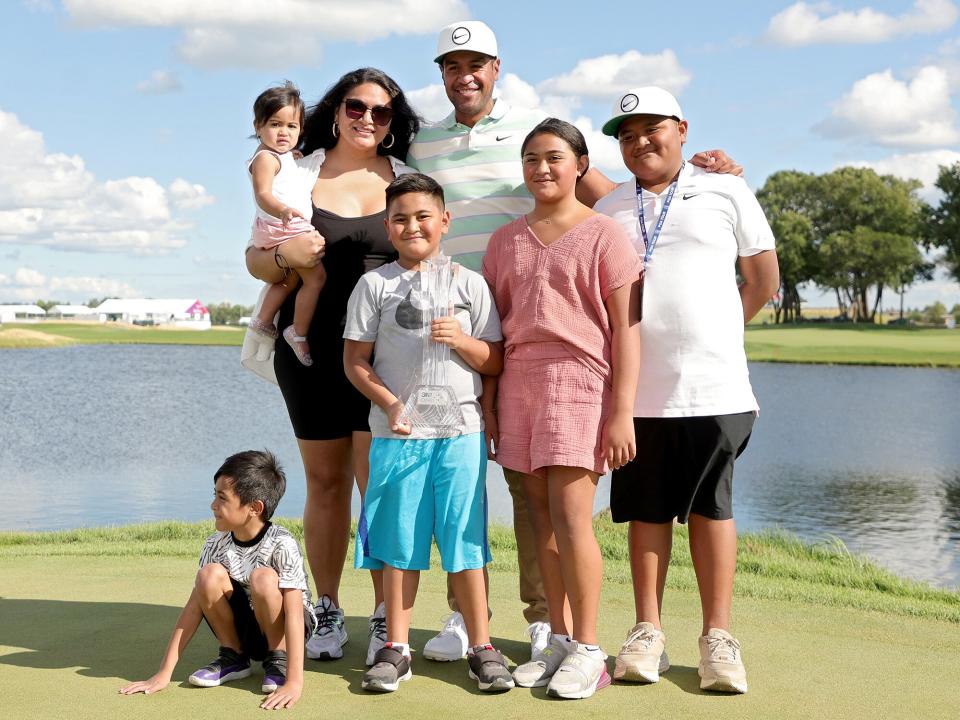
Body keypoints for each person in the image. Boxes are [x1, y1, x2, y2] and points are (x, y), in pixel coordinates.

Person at [407, 19, 744, 666]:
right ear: (441, 73)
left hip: (557, 357)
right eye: (452, 64)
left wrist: (696, 174)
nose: (464, 74)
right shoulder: (424, 144)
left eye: (475, 62)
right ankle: (464, 614)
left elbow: (612, 201)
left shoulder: (537, 133)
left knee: (551, 506)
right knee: (472, 487)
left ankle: (551, 627)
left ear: (496, 67)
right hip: (472, 339)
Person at [594, 86, 779, 694]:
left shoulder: (726, 188)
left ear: (682, 129)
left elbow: (761, 278)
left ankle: (717, 638)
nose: (639, 142)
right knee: (646, 513)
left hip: (715, 388)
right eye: (626, 135)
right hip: (635, 394)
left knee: (710, 506)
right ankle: (648, 631)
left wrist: (716, 330)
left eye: (651, 129)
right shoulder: (611, 206)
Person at [243, 68, 420, 667]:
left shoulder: (408, 178)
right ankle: (327, 607)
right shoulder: (300, 169)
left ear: (395, 123)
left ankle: (383, 615)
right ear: (336, 109)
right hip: (310, 352)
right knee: (324, 485)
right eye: (356, 105)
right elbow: (256, 258)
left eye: (382, 111)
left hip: (383, 360)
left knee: (380, 489)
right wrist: (279, 256)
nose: (367, 118)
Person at [482, 119, 643, 699]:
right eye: (530, 159)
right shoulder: (504, 242)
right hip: (520, 383)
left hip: (580, 384)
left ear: (580, 164)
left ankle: (591, 648)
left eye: (553, 157)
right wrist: (492, 406)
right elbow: (496, 335)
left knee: (574, 520)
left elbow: (626, 332)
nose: (541, 168)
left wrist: (620, 412)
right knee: (540, 522)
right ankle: (558, 638)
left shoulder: (606, 236)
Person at [343, 173, 512, 694]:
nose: (411, 225)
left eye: (422, 216)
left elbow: (495, 359)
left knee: (465, 540)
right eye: (399, 218)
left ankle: (481, 645)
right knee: (398, 544)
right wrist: (391, 404)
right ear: (387, 228)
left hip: (460, 433)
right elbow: (355, 361)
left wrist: (460, 339)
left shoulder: (469, 283)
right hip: (397, 435)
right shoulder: (375, 286)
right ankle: (396, 646)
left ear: (444, 221)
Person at [118, 450, 316, 710]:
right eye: (215, 495)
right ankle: (234, 656)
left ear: (255, 508)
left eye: (222, 498)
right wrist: (163, 673)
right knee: (208, 575)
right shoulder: (215, 544)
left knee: (263, 578)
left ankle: (278, 659)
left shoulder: (283, 543)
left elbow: (293, 612)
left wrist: (294, 682)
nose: (213, 506)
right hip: (248, 627)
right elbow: (193, 607)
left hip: (288, 630)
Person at [246, 82, 327, 367]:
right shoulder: (265, 159)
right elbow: (263, 193)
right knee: (316, 279)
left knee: (289, 278)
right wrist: (282, 210)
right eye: (275, 124)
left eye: (292, 127)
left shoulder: (280, 156)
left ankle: (264, 320)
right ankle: (298, 331)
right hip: (284, 225)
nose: (284, 132)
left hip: (279, 227)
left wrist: (290, 158)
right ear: (258, 126)